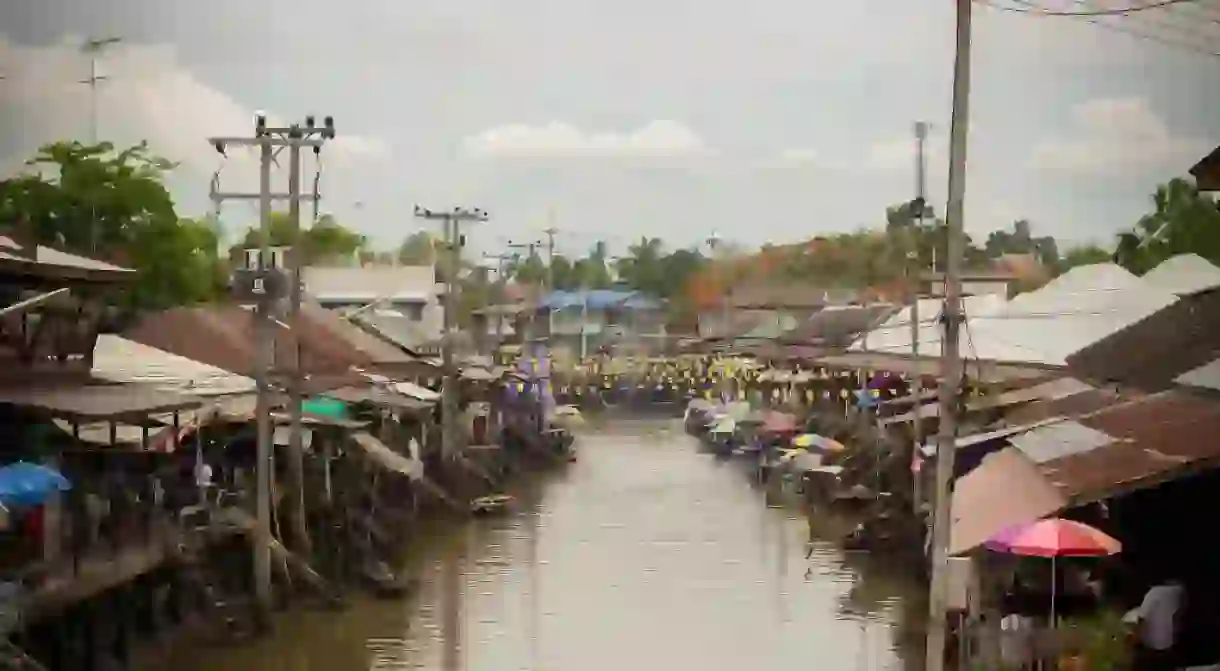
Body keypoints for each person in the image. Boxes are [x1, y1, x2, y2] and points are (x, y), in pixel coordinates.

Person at [1128, 576, 1185, 671]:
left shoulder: (1153, 593)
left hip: (1153, 649)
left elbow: (1142, 619)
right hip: (1170, 646)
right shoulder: (1178, 590)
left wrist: (1133, 643)